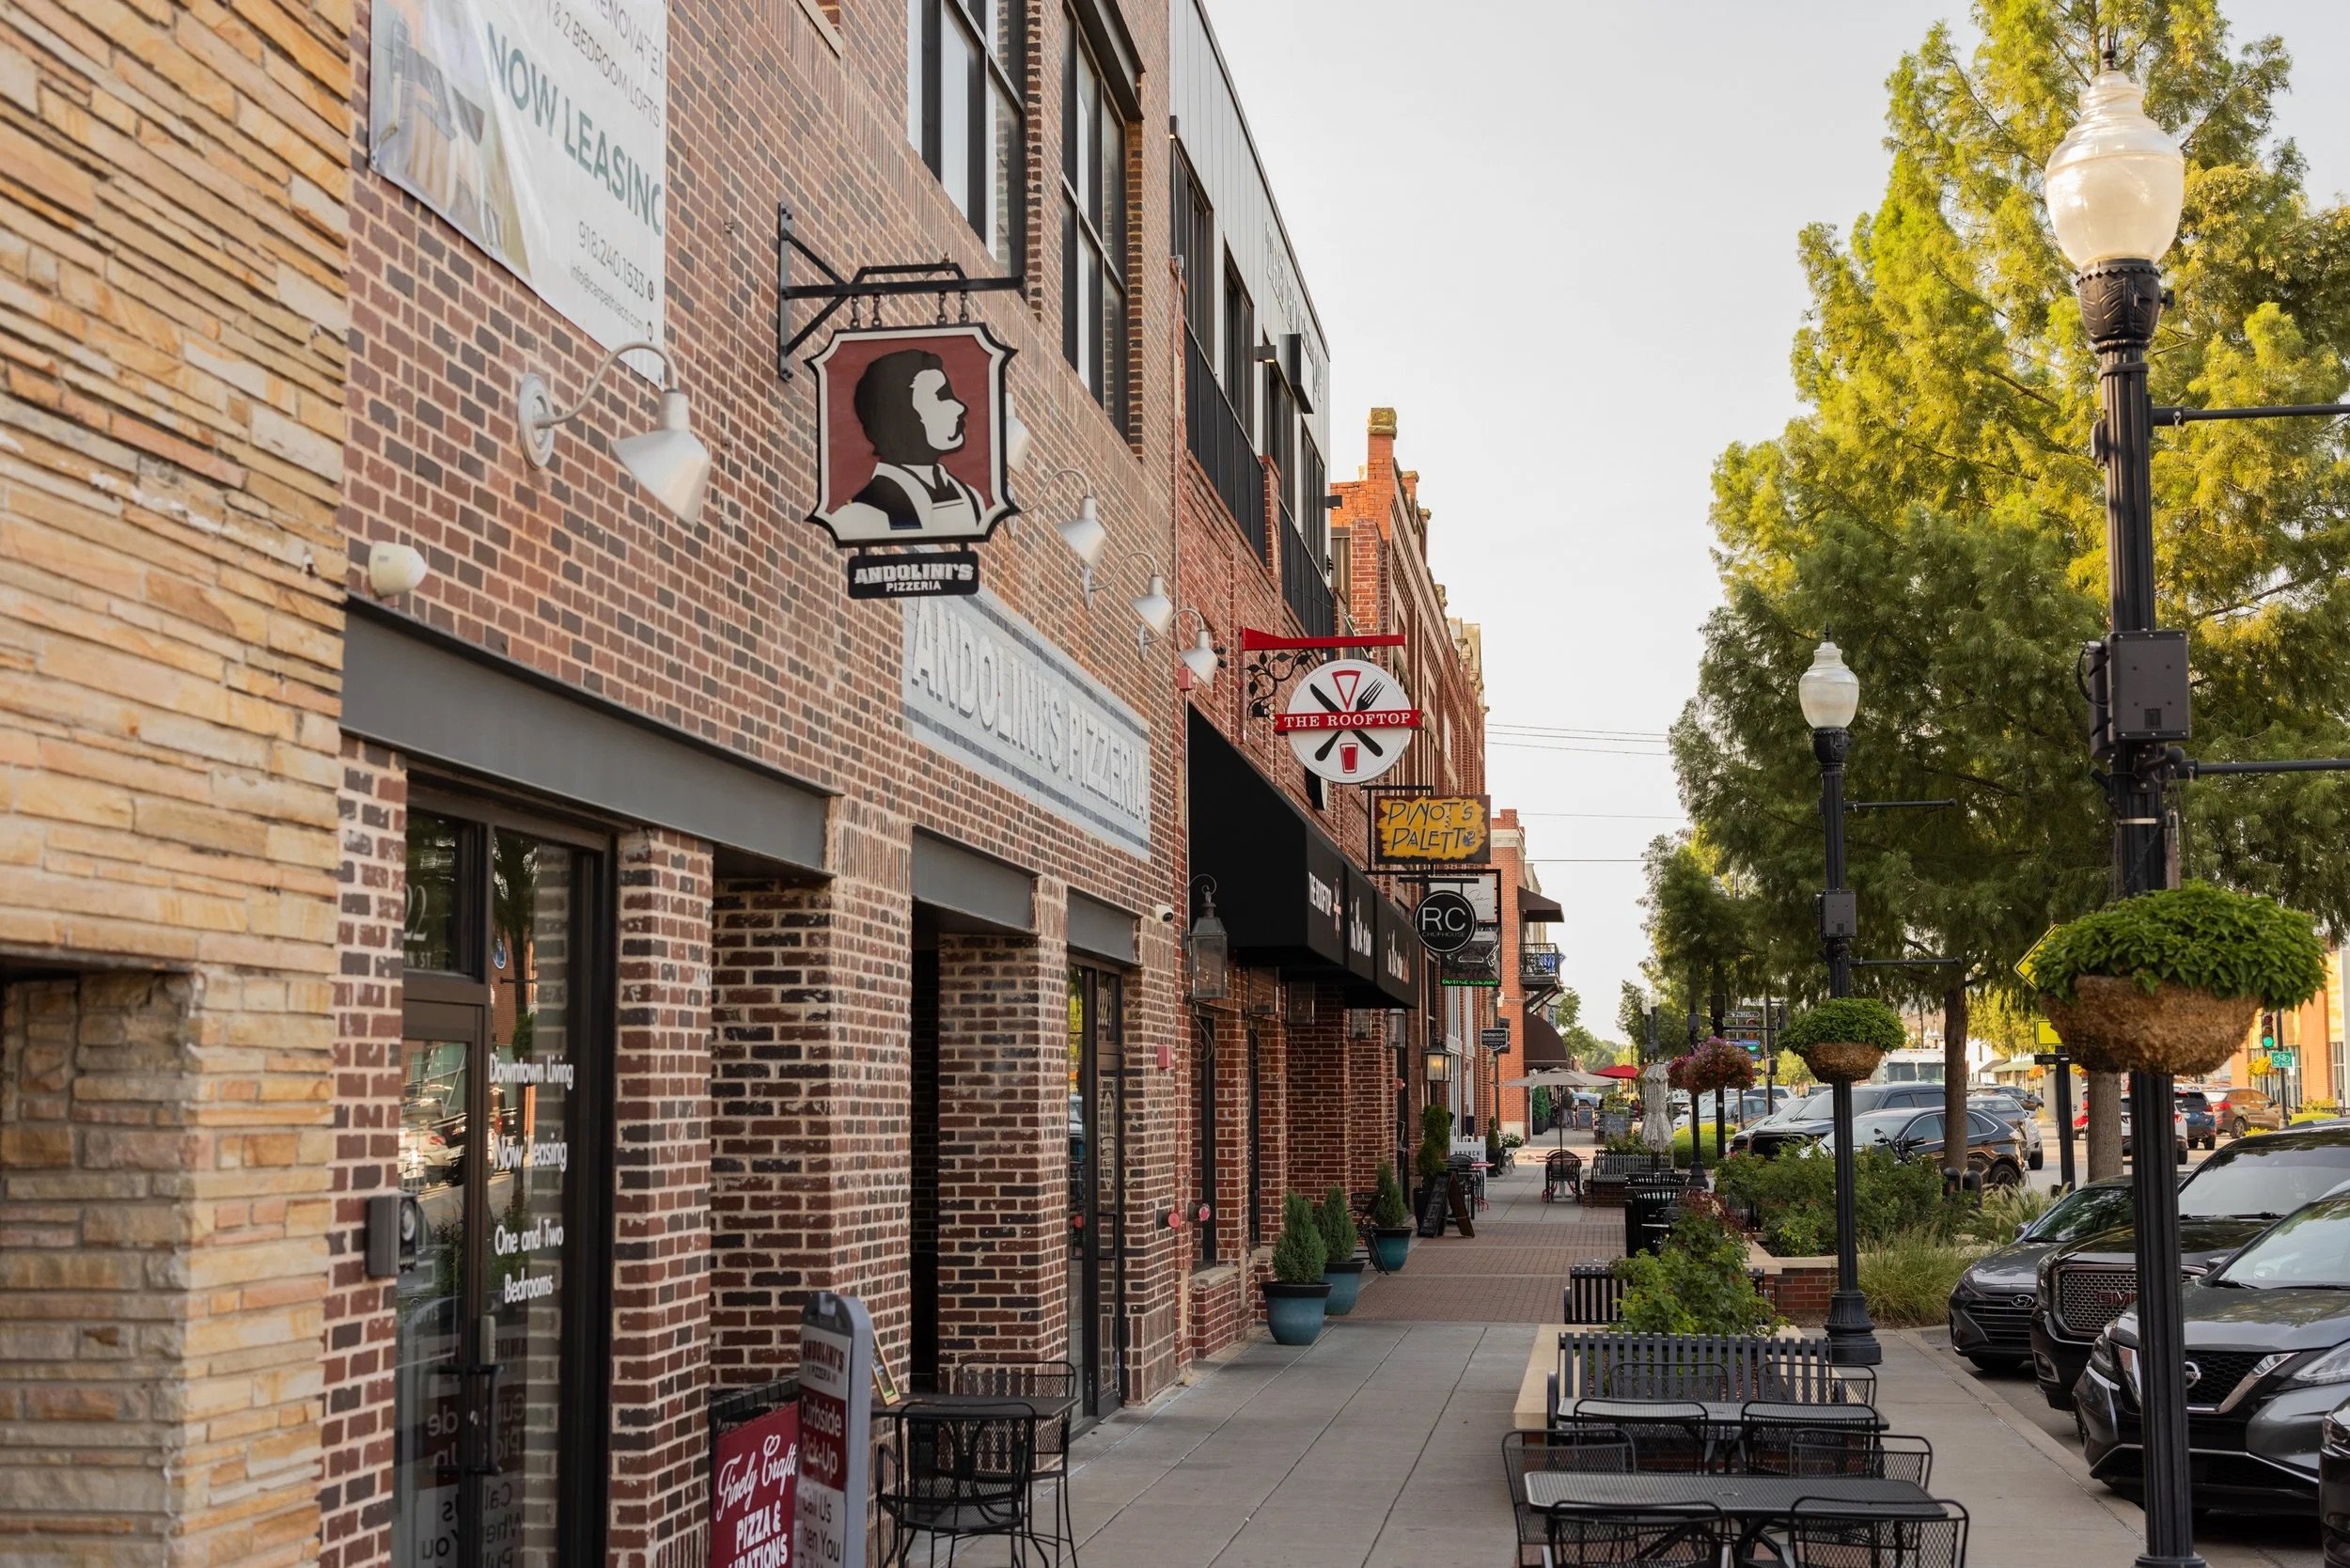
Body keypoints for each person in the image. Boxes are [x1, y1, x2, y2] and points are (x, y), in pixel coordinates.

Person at [833, 349, 986, 537]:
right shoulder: (859, 515)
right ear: (899, 419)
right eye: (941, 396)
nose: (961, 407)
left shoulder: (970, 498)